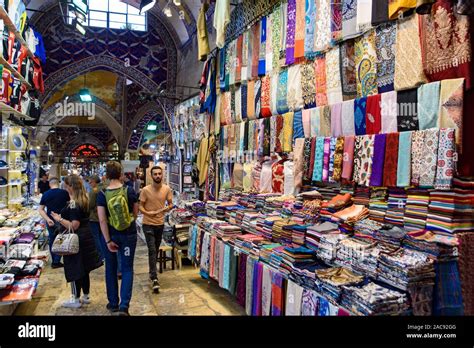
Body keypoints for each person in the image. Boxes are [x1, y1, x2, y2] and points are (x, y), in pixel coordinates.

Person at [51, 175, 102, 308]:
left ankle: (74, 298)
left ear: (70, 186)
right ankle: (85, 295)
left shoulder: (73, 203)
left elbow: (74, 225)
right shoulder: (84, 199)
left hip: (75, 239)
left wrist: (59, 219)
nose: (64, 187)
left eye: (65, 185)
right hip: (86, 237)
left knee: (74, 268)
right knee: (84, 268)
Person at [97, 161, 138, 316]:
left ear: (106, 175)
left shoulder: (102, 194)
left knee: (111, 268)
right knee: (127, 269)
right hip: (128, 234)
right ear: (121, 174)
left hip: (110, 235)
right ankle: (124, 306)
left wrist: (107, 240)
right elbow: (135, 213)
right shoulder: (129, 191)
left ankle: (113, 303)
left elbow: (102, 220)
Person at [139, 165, 173, 293]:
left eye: (159, 174)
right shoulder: (145, 190)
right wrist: (148, 213)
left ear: (162, 174)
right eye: (155, 174)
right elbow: (140, 206)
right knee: (152, 249)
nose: (158, 176)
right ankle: (154, 277)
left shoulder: (167, 189)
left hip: (160, 223)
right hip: (148, 223)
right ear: (151, 176)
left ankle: (151, 271)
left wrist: (165, 209)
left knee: (156, 249)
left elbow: (170, 204)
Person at [38, 177, 70, 268]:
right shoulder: (64, 193)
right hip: (62, 220)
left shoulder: (46, 194)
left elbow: (40, 209)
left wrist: (47, 219)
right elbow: (70, 205)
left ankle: (54, 261)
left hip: (50, 220)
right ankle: (56, 261)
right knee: (61, 239)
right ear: (58, 183)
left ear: (49, 184)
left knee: (52, 240)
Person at [88, 175, 104, 261]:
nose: (89, 184)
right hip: (103, 217)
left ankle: (100, 255)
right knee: (103, 236)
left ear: (94, 181)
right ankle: (104, 253)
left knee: (96, 237)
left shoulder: (94, 191)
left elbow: (90, 205)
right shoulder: (105, 187)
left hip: (94, 217)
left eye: (90, 182)